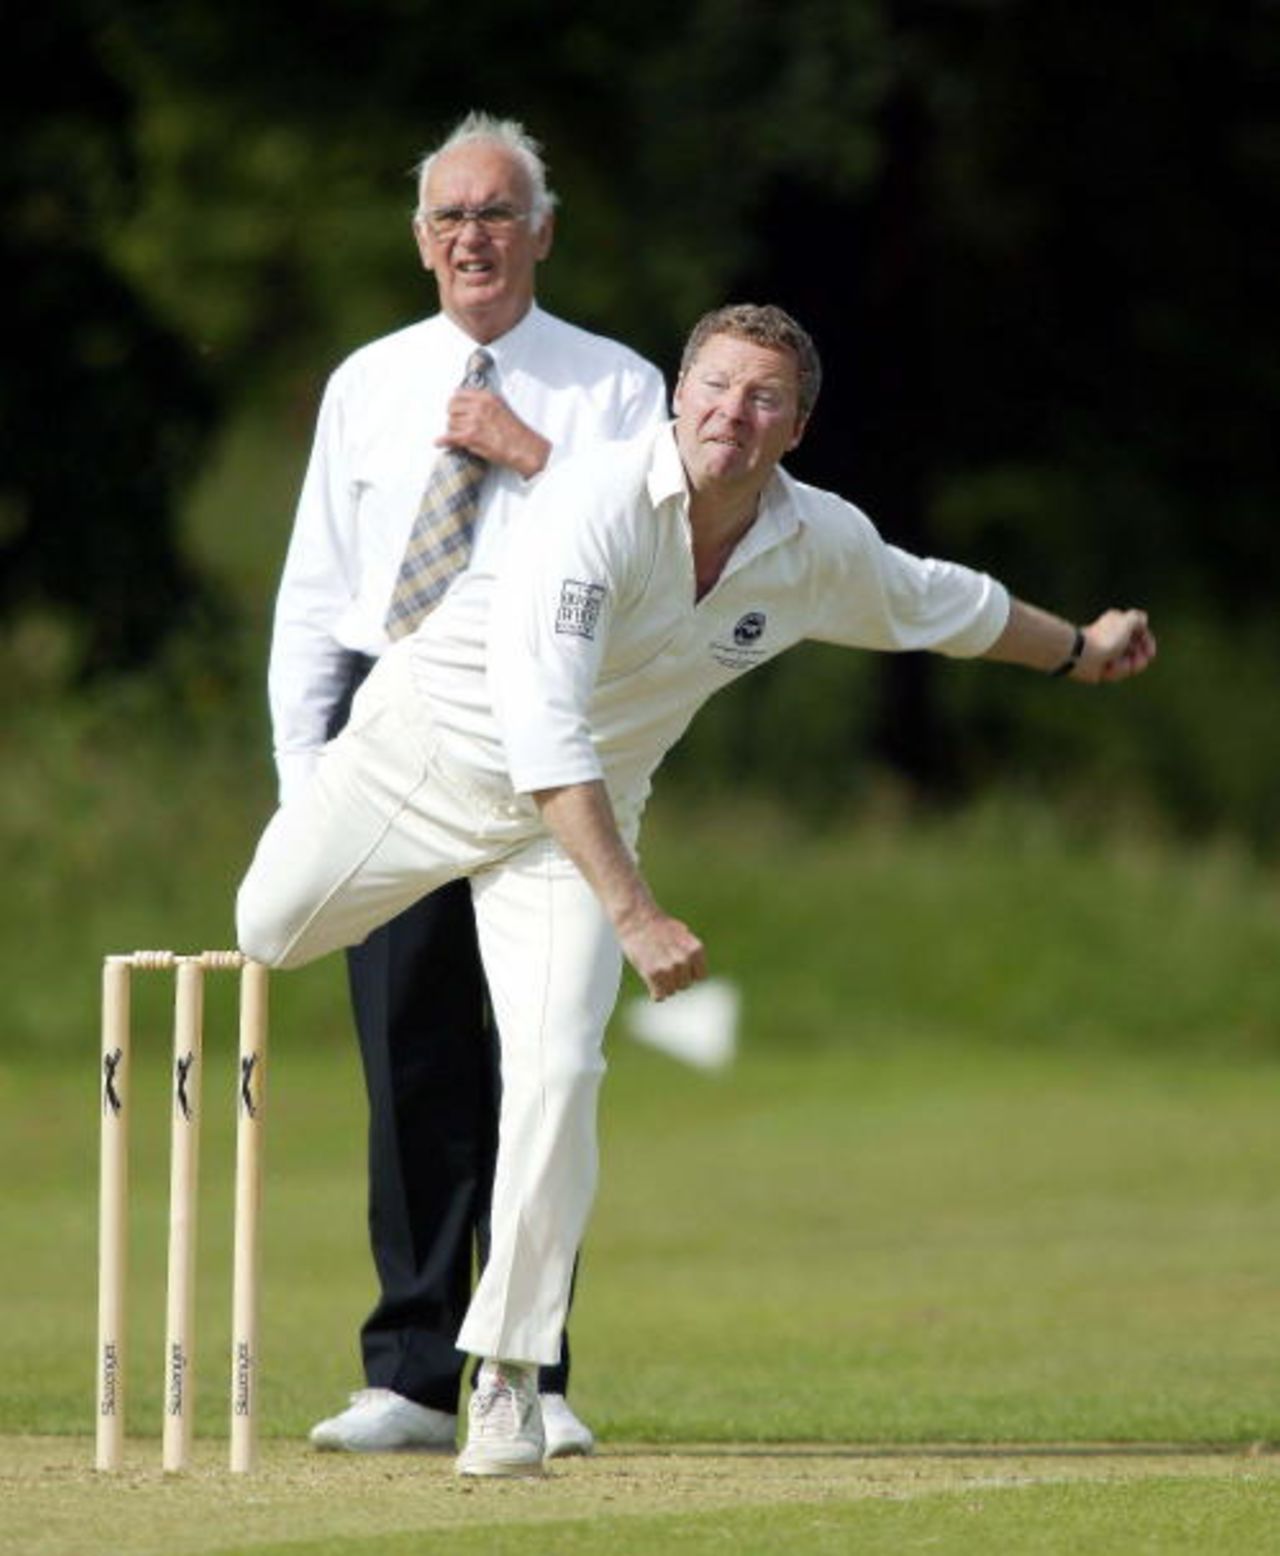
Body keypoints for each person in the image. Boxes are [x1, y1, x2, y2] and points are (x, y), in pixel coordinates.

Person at [238, 302, 1157, 1478]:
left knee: (559, 1069)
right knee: (264, 928)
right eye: (715, 386)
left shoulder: (815, 542)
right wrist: (636, 912)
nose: (733, 412)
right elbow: (542, 727)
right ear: (676, 395)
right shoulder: (591, 503)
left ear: (796, 427)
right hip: (426, 758)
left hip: (567, 831)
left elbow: (943, 603)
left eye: (763, 397)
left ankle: (508, 1377)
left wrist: (1076, 646)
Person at [266, 110, 667, 1459]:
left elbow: (653, 560)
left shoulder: (614, 387)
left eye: (497, 213)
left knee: (543, 1063)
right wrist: (304, 778)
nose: (472, 237)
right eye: (449, 216)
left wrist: (528, 452)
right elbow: (318, 594)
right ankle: (412, 1371)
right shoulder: (368, 381)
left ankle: (530, 1373)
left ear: (541, 232)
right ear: (420, 239)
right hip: (394, 740)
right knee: (412, 1055)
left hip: (552, 745)